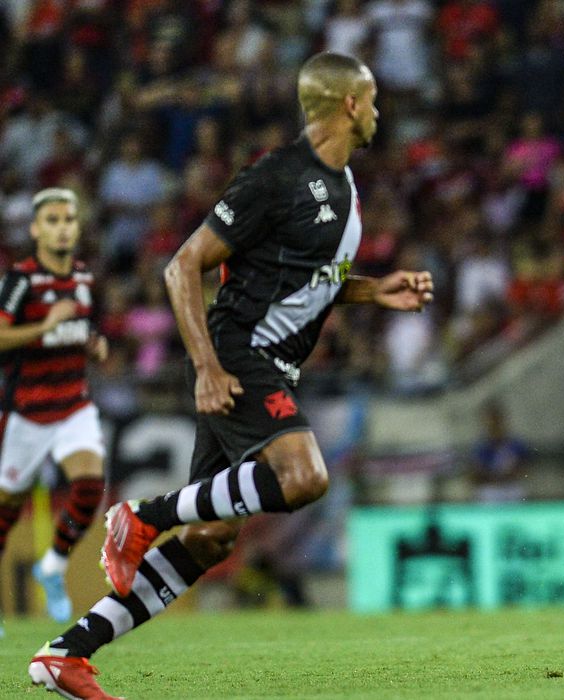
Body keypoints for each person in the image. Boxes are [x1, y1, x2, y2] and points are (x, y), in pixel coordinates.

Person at [28, 52, 435, 699]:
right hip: (242, 356)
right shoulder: (273, 179)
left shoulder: (345, 187)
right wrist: (209, 367)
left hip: (269, 364)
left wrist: (375, 292)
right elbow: (182, 267)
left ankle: (66, 653)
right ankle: (140, 514)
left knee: (213, 536)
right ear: (350, 104)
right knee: (303, 477)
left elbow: (310, 283)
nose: (381, 110)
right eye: (374, 98)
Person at [0, 188, 109, 635]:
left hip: (74, 404)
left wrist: (93, 343)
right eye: (52, 220)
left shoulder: (83, 276)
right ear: (35, 229)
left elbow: (82, 329)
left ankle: (53, 565)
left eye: (69, 219)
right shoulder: (20, 280)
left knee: (89, 486)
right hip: (27, 412)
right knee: (8, 508)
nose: (63, 227)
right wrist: (45, 325)